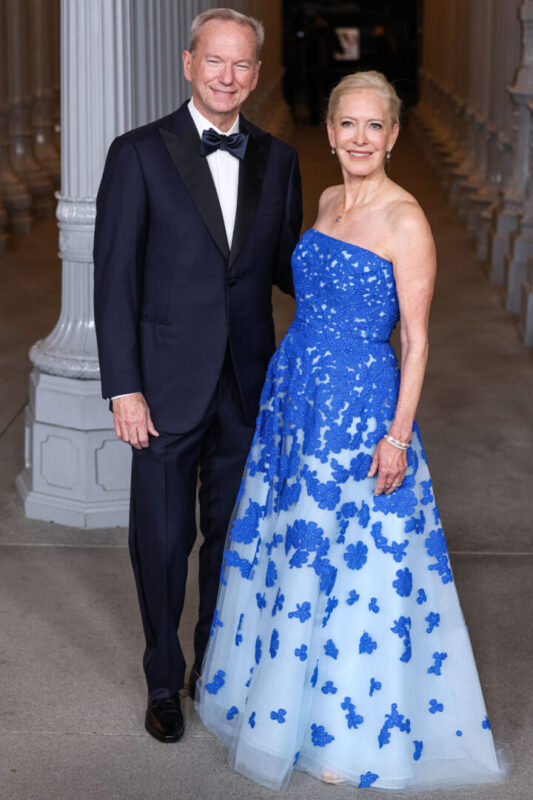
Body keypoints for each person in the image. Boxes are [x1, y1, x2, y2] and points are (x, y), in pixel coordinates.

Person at [195, 71, 511, 790]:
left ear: (393, 136)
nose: (360, 138)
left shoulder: (406, 221)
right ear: (331, 131)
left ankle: (345, 733)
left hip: (358, 409)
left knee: (350, 560)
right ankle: (285, 710)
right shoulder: (328, 201)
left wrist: (396, 437)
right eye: (348, 124)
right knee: (293, 545)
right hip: (296, 396)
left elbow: (417, 341)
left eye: (374, 126)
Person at [93, 9, 302, 744]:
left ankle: (211, 663)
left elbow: (288, 269)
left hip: (247, 384)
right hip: (161, 387)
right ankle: (162, 677)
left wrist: (362, 254)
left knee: (230, 537)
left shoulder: (279, 159)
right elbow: (114, 280)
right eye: (215, 61)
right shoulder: (138, 153)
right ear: (189, 64)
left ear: (256, 73)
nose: (227, 76)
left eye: (242, 64)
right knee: (161, 538)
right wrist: (123, 386)